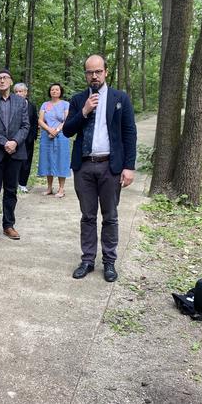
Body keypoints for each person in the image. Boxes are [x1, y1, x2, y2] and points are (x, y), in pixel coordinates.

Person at [63, 55, 136, 282]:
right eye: (89, 72)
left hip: (110, 167)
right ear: (85, 74)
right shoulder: (77, 100)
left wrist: (129, 167)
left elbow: (129, 133)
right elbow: (67, 131)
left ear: (105, 72)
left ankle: (109, 262)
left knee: (111, 216)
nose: (94, 76)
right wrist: (84, 111)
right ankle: (87, 260)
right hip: (84, 167)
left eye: (98, 71)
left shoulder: (120, 98)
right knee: (87, 216)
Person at [0, 69, 30, 242]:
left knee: (11, 190)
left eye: (5, 78)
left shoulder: (21, 102)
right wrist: (4, 143)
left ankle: (8, 225)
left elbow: (25, 126)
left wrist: (14, 142)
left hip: (15, 153)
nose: (1, 81)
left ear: (10, 81)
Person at [37, 83, 70, 198]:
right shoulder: (45, 105)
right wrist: (49, 130)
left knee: (61, 160)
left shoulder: (66, 104)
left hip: (62, 135)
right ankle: (49, 188)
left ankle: (61, 189)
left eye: (57, 89)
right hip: (47, 135)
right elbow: (40, 120)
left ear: (60, 91)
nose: (54, 91)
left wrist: (56, 130)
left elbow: (67, 120)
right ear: (49, 92)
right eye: (52, 90)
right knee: (48, 160)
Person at [13, 83, 38, 193]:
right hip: (14, 139)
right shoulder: (11, 105)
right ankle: (14, 183)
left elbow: (34, 122)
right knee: (14, 162)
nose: (18, 94)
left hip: (28, 140)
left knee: (26, 162)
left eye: (21, 91)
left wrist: (33, 137)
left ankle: (23, 183)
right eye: (16, 91)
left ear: (26, 92)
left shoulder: (31, 106)